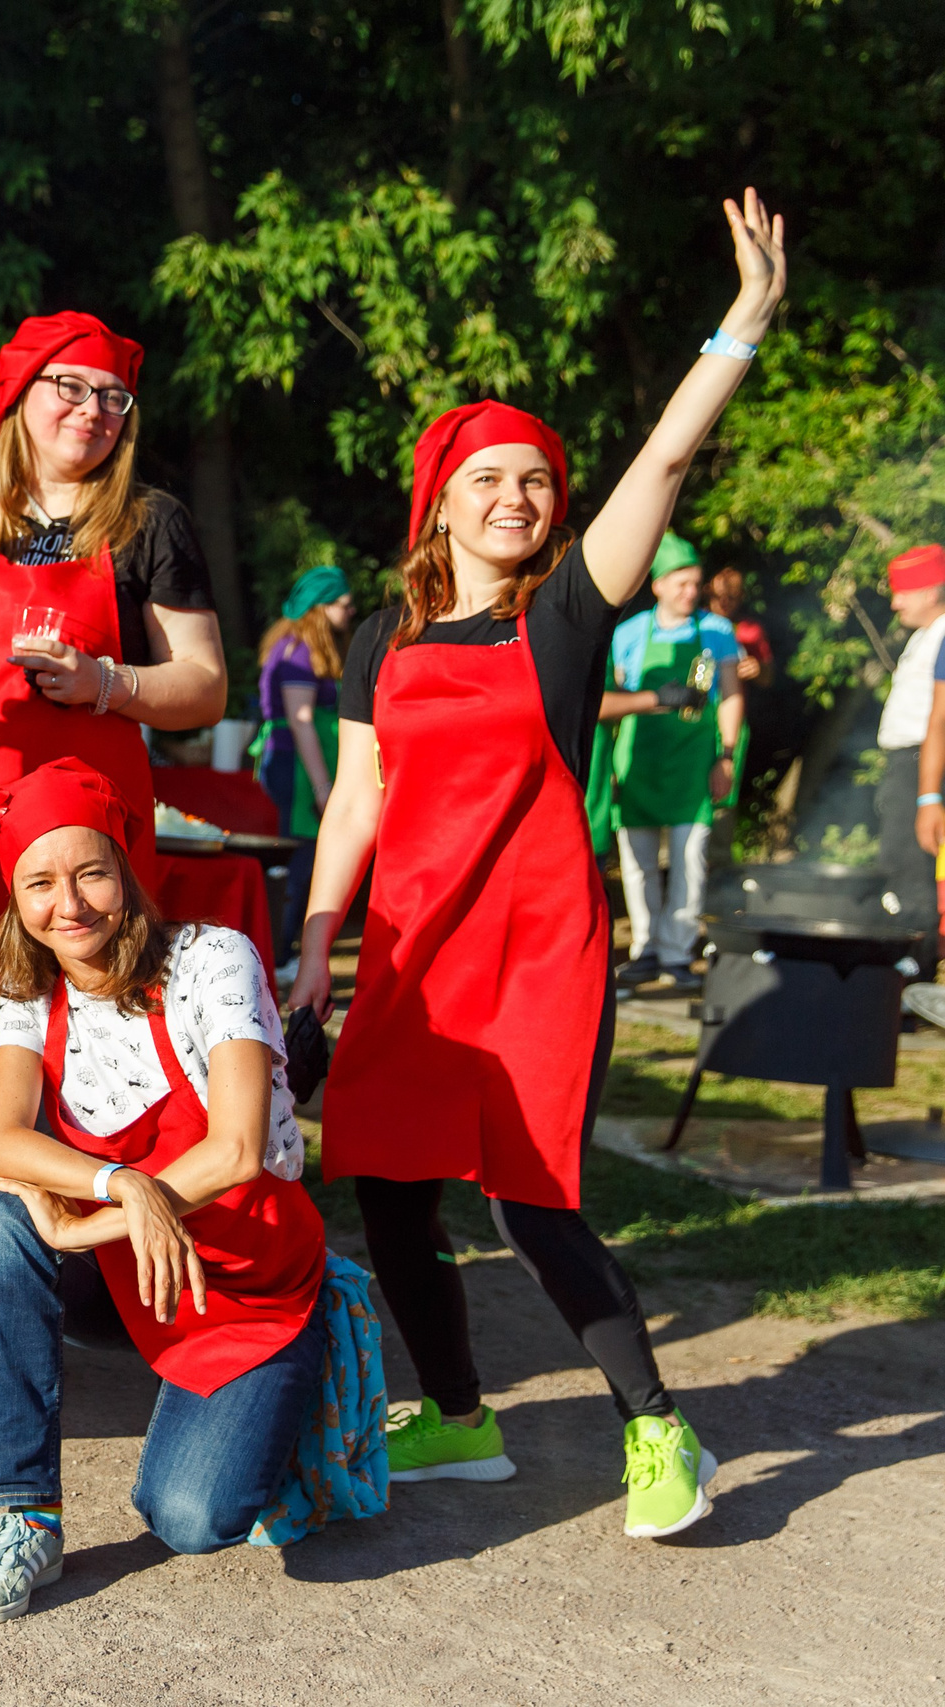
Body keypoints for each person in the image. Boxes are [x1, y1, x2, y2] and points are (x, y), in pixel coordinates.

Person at [292, 189, 787, 1541]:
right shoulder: (384, 648)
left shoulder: (564, 616)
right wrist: (318, 941)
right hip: (406, 952)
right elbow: (359, 804)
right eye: (490, 479)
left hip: (533, 953)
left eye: (537, 481)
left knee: (529, 1195)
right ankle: (458, 1410)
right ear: (439, 503)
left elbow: (665, 467)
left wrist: (740, 324)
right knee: (387, 1184)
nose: (521, 497)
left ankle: (657, 1427)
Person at [0, 310, 229, 1412]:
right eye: (66, 389)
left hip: (85, 864)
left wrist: (107, 683)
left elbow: (202, 685)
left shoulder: (148, 521)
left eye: (111, 396)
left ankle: (93, 1308)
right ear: (15, 401)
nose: (89, 412)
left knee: (93, 1102)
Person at [0, 759, 356, 1622]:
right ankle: (25, 1514)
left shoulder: (213, 958)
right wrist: (127, 1186)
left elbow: (233, 1151)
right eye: (39, 883)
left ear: (127, 871)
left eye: (90, 873)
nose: (68, 905)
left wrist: (87, 1224)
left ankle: (314, 1343)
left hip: (243, 1286)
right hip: (130, 1279)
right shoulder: (29, 985)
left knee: (190, 1519)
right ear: (14, 897)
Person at [603, 533, 746, 989]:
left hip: (693, 761)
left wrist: (725, 757)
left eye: (695, 583)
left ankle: (677, 951)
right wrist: (608, 766)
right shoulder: (628, 633)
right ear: (658, 585)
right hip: (639, 759)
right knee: (638, 861)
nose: (691, 592)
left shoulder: (717, 632)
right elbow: (613, 697)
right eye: (681, 583)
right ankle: (645, 946)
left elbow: (731, 698)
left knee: (690, 858)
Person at [254, 564, 353, 973]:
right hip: (296, 770)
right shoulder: (297, 652)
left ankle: (284, 950)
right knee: (299, 858)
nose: (350, 612)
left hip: (299, 765)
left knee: (301, 857)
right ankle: (281, 954)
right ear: (320, 607)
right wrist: (323, 786)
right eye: (343, 605)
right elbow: (302, 719)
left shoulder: (297, 646)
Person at [877, 543, 945, 979]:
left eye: (904, 591)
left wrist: (927, 795)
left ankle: (914, 973)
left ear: (932, 591)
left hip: (923, 765)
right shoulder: (926, 635)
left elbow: (939, 719)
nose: (895, 601)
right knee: (900, 865)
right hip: (909, 764)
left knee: (911, 869)